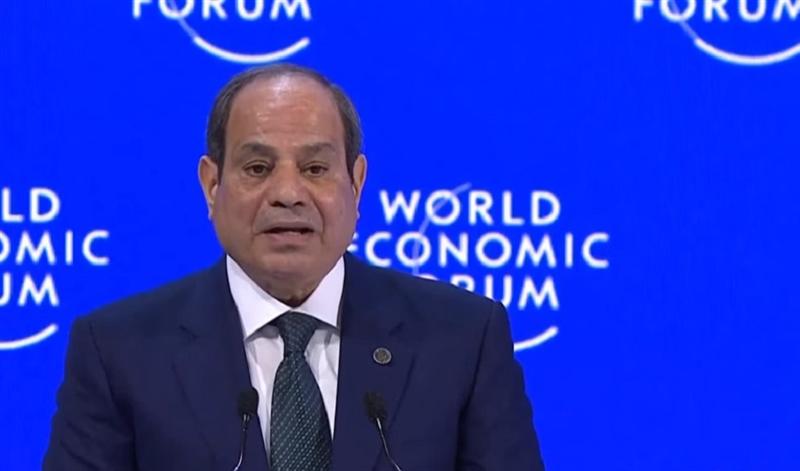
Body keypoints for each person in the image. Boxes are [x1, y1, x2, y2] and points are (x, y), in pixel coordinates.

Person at [43, 63, 544, 471]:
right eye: (258, 168)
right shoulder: (120, 352)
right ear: (212, 186)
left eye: (315, 168)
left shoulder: (462, 339)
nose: (287, 193)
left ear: (357, 184)